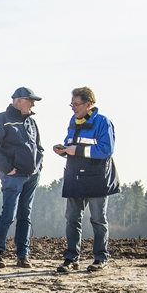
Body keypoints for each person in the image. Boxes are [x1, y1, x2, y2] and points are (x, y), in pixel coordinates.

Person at [53, 87, 119, 273]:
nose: (73, 108)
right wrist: (64, 150)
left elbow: (106, 150)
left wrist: (77, 151)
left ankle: (100, 258)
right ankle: (71, 259)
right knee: (72, 219)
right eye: (71, 104)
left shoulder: (103, 122)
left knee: (98, 220)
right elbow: (71, 144)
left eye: (76, 104)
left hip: (97, 179)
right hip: (75, 177)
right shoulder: (73, 121)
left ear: (88, 104)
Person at [0, 87, 44, 269]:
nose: (33, 104)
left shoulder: (31, 123)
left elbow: (39, 147)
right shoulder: (1, 120)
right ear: (18, 100)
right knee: (8, 214)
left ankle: (22, 255)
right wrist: (7, 168)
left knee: (25, 215)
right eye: (30, 100)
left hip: (31, 176)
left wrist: (38, 166)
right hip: (13, 176)